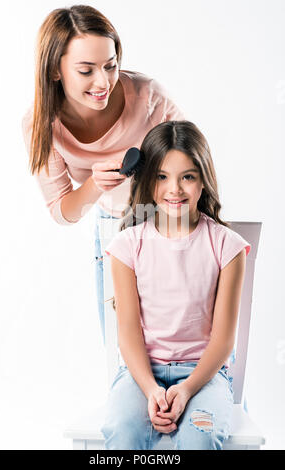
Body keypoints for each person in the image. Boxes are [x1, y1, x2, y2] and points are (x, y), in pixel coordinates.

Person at [21, 5, 186, 344]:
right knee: (122, 350)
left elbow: (194, 168)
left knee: (189, 345)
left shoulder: (150, 98)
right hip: (113, 233)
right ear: (55, 70)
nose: (103, 82)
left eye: (110, 66)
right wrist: (95, 185)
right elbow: (62, 211)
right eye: (86, 70)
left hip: (175, 227)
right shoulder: (41, 125)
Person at [101, 120, 251, 450]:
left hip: (205, 376)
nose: (175, 189)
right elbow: (128, 333)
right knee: (123, 432)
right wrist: (152, 389)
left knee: (200, 437)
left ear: (203, 181)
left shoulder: (227, 246)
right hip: (141, 374)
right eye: (162, 176)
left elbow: (224, 340)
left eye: (188, 177)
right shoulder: (127, 245)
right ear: (148, 180)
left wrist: (185, 390)